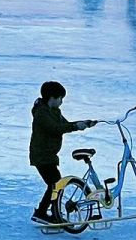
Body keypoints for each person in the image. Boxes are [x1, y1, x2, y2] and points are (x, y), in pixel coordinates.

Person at [29, 81, 97, 224]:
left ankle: (50, 213)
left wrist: (82, 123)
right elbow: (55, 128)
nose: (61, 102)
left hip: (49, 155)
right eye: (60, 98)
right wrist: (75, 126)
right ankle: (44, 213)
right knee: (55, 184)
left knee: (55, 184)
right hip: (41, 155)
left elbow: (65, 124)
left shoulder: (54, 111)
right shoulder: (41, 113)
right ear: (52, 98)